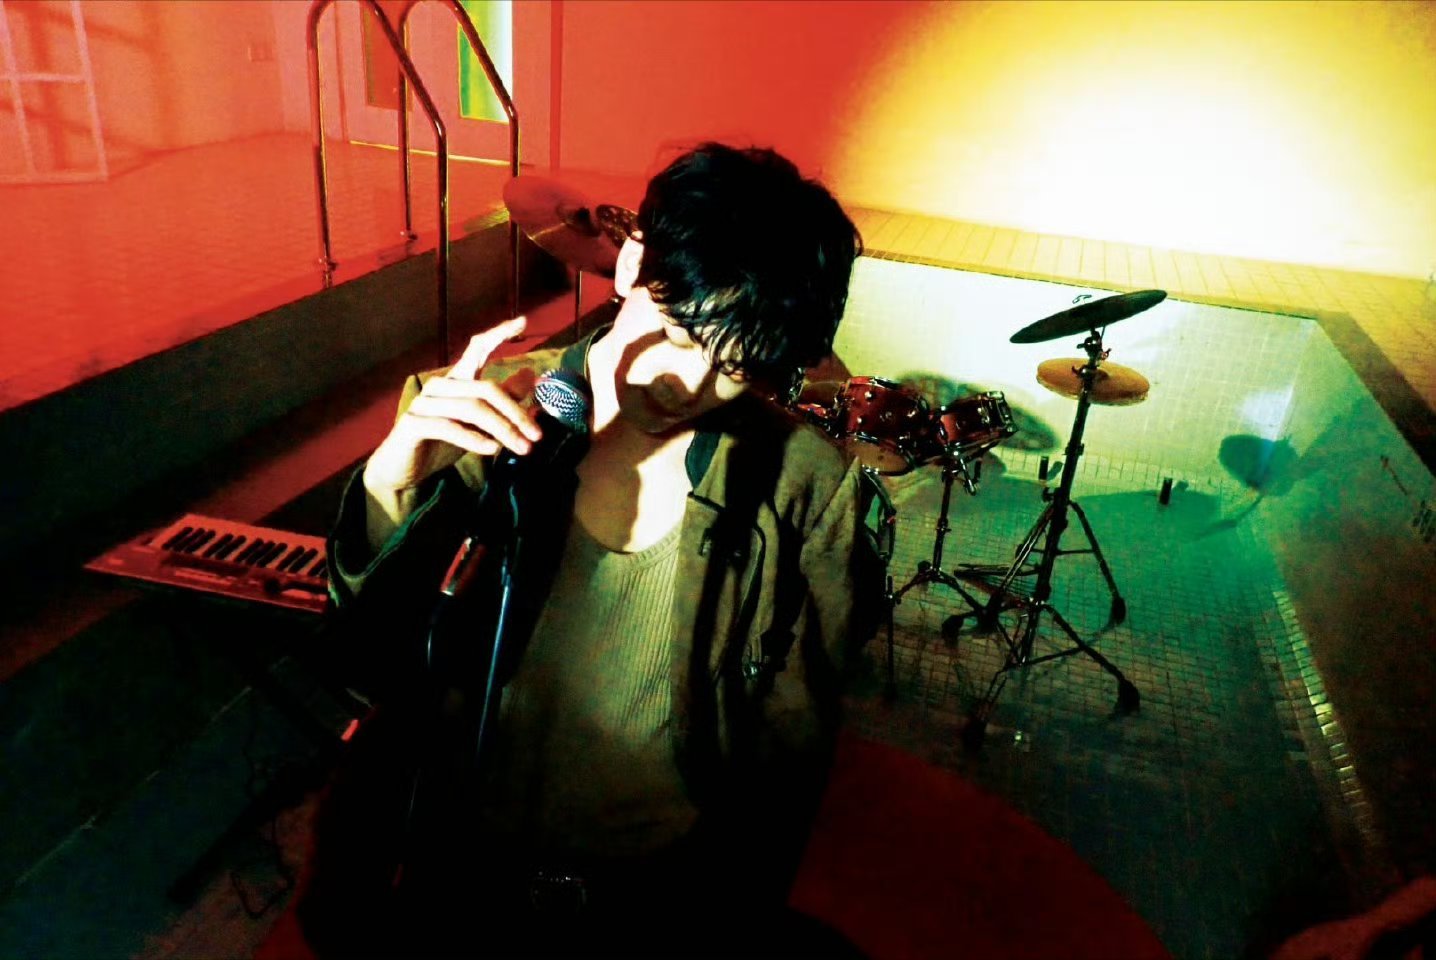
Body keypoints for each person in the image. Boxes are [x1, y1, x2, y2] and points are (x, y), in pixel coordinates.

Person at [297, 142, 876, 957]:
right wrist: (391, 485)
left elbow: (787, 758)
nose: (689, 385)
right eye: (677, 334)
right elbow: (366, 665)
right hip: (459, 880)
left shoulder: (803, 484)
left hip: (655, 899)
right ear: (633, 261)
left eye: (736, 369)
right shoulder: (477, 414)